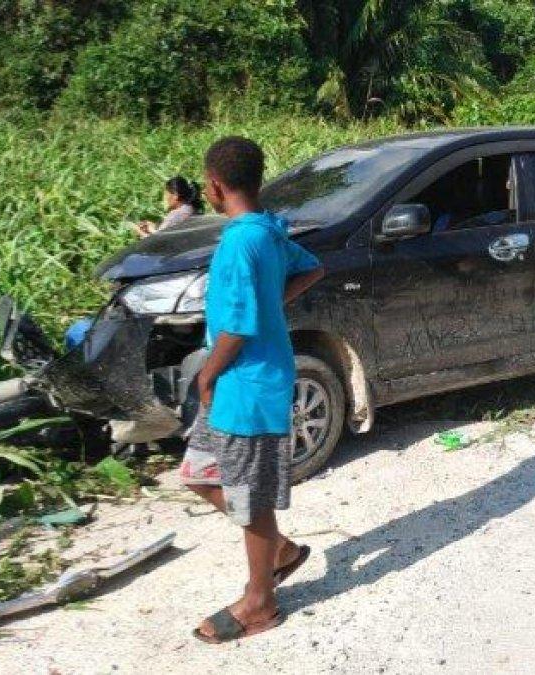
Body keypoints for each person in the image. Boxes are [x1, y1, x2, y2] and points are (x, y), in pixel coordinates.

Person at [181, 136, 326, 642]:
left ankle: (260, 602)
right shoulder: (268, 230)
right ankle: (279, 551)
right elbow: (312, 268)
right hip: (237, 382)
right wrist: (270, 305)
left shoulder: (244, 241)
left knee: (250, 496)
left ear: (214, 186)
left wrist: (206, 374)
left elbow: (239, 326)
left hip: (248, 383)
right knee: (199, 473)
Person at [135, 176, 204, 237]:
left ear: (175, 196)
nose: (164, 198)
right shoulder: (191, 209)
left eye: (166, 194)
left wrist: (141, 232)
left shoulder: (176, 215)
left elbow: (158, 241)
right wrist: (154, 228)